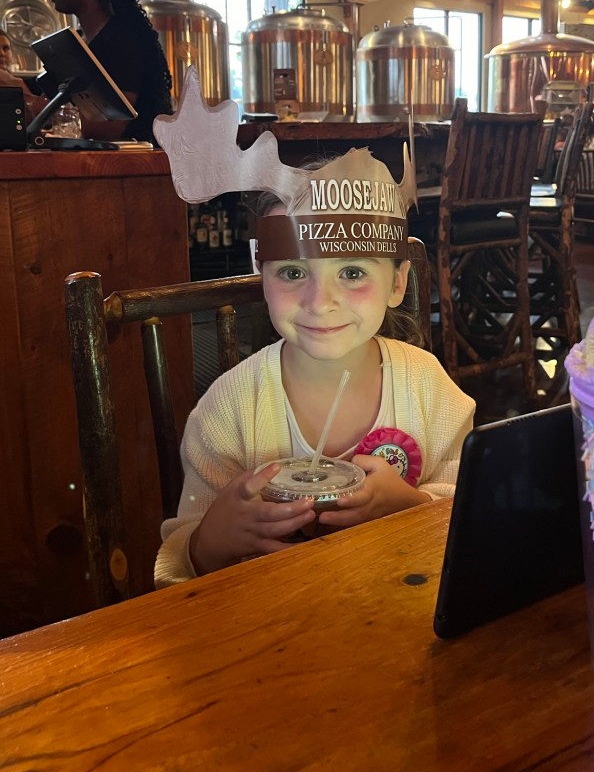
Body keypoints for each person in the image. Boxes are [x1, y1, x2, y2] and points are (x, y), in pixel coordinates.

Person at [154, 126, 476, 587]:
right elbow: (176, 578)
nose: (319, 302)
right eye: (292, 272)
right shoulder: (229, 410)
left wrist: (414, 505)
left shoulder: (427, 386)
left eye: (352, 272)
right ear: (262, 277)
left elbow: (470, 516)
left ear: (397, 283)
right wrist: (207, 543)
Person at [3, 0, 173, 142]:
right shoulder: (77, 41)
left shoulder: (124, 40)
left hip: (134, 159)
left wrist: (35, 106)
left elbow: (111, 127)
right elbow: (41, 88)